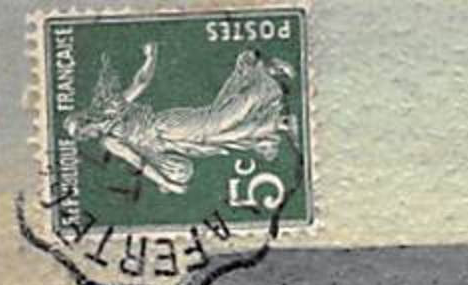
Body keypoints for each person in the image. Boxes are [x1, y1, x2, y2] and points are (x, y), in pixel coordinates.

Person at [65, 43, 298, 196]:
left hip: (165, 126)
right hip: (168, 144)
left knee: (217, 122)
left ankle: (263, 76)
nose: (85, 138)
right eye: (81, 138)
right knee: (217, 136)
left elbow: (140, 83)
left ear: (85, 121)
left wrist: (151, 57)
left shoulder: (110, 108)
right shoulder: (108, 141)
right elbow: (139, 161)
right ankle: (275, 121)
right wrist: (167, 181)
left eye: (81, 133)